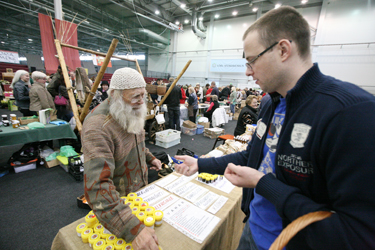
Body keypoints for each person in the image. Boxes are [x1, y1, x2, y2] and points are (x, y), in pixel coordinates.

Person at [174, 6, 375, 250]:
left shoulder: (350, 113)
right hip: (252, 230)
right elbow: (254, 155)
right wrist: (201, 164)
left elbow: (355, 233)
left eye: (251, 61)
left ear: (283, 50)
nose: (248, 72)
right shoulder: (271, 102)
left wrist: (263, 184)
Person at [81, 67, 162, 250]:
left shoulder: (130, 109)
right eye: (135, 96)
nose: (142, 101)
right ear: (115, 94)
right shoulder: (97, 126)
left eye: (143, 95)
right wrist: (132, 229)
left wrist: (150, 158)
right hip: (116, 207)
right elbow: (98, 186)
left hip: (139, 193)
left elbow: (138, 140)